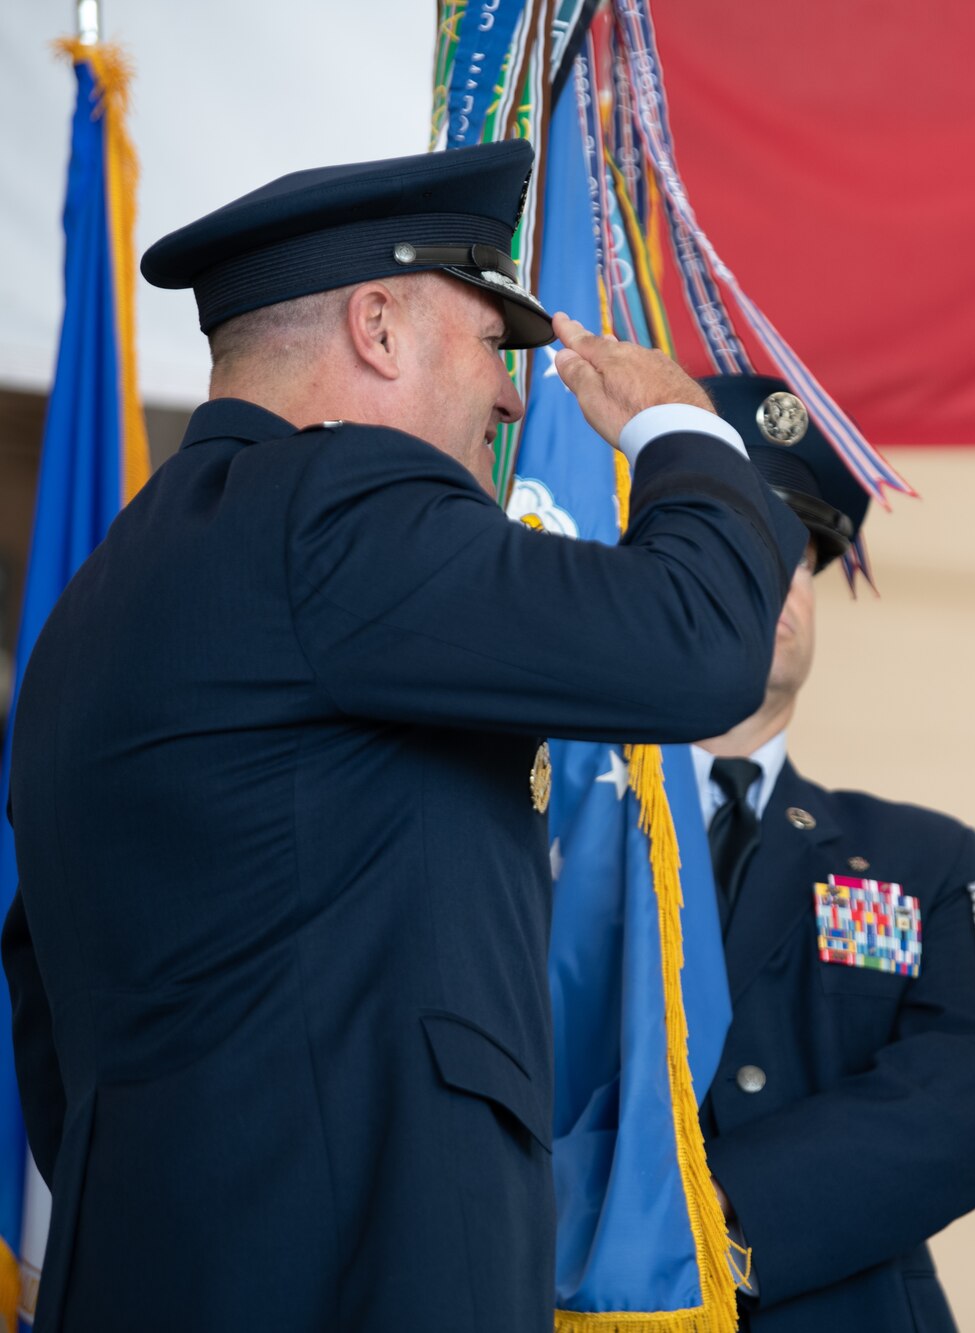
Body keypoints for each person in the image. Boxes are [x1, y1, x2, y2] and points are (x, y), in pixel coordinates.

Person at [2, 141, 807, 1333]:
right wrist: (685, 438)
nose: (514, 397)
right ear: (377, 327)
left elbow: (49, 1020)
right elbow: (694, 642)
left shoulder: (100, 600)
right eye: (491, 342)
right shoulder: (336, 505)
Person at [688, 373, 975, 1332]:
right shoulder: (549, 821)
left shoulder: (914, 858)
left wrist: (709, 1224)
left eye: (798, 555)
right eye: (735, 541)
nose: (778, 584)